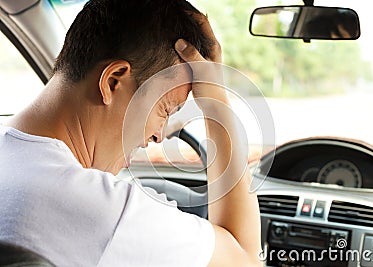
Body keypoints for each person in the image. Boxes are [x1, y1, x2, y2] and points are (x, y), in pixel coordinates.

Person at [0, 0, 262, 266]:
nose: (159, 136)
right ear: (112, 81)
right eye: (165, 109)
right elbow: (245, 257)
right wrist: (216, 102)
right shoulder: (101, 210)